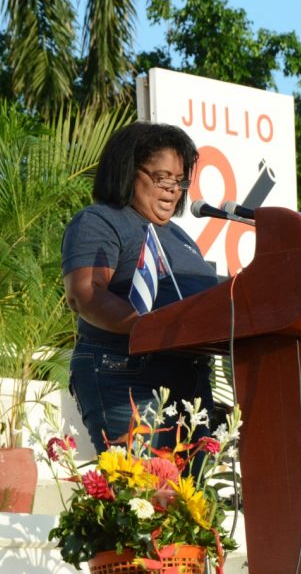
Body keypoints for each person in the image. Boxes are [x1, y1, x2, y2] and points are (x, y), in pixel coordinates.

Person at [62, 122, 217, 454]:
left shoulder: (180, 237)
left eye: (180, 181)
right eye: (163, 178)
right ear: (129, 171)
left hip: (189, 382)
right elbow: (84, 293)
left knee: (189, 501)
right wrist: (158, 329)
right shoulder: (102, 220)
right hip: (128, 375)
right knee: (145, 496)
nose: (173, 190)